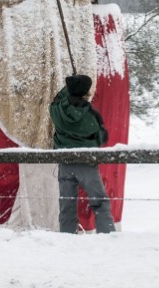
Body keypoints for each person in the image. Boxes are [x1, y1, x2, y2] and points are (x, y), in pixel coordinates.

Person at [49, 74, 115, 234]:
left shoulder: (56, 111)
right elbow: (101, 136)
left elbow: (57, 99)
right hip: (86, 163)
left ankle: (67, 235)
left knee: (67, 205)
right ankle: (107, 236)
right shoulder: (89, 116)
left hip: (65, 162)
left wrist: (71, 85)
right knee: (99, 202)